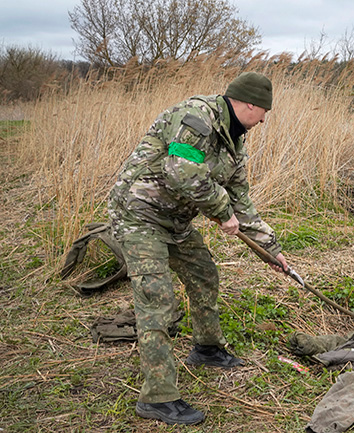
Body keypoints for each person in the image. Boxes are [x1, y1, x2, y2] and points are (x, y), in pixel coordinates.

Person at [108, 72, 289, 425]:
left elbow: (241, 200)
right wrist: (222, 212)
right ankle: (158, 398)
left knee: (204, 274)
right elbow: (181, 170)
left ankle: (207, 348)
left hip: (175, 221)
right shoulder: (196, 116)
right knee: (157, 299)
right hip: (139, 215)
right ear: (249, 104)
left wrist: (271, 249)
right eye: (264, 111)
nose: (265, 119)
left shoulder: (235, 142)